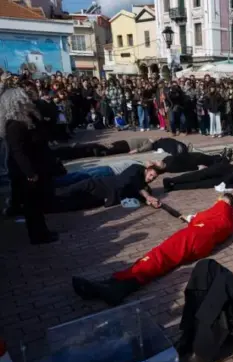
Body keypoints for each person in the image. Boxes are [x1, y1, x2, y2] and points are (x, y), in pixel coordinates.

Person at [72, 195, 233, 307]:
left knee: (158, 256)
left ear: (223, 200)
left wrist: (193, 219)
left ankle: (117, 288)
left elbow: (199, 218)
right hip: (202, 245)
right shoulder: (231, 222)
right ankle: (114, 283)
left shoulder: (221, 207)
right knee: (165, 261)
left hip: (194, 235)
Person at [1, 87, 58, 244]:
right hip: (26, 172)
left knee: (37, 204)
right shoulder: (14, 125)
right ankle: (38, 235)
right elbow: (18, 152)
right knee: (32, 206)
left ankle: (43, 232)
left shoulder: (25, 121)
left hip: (35, 166)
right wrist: (30, 173)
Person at [48, 163, 161, 213]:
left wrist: (152, 202)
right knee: (65, 191)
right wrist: (146, 195)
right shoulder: (136, 169)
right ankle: (41, 195)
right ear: (147, 170)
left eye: (154, 178)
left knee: (71, 206)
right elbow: (130, 181)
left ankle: (45, 209)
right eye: (151, 175)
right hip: (95, 184)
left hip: (101, 199)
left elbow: (143, 197)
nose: (151, 178)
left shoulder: (145, 188)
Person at [163, 162, 233, 192]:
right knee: (199, 175)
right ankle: (172, 180)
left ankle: (173, 187)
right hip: (225, 169)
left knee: (201, 184)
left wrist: (227, 186)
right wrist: (225, 183)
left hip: (223, 181)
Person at [53, 159, 144, 188]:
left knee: (80, 177)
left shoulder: (142, 170)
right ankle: (56, 181)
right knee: (79, 173)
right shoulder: (140, 164)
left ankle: (55, 183)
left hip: (109, 172)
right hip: (107, 168)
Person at [149, 147, 233, 174]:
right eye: (156, 162)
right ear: (160, 167)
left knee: (208, 157)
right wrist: (197, 168)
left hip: (191, 156)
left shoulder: (165, 160)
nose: (157, 160)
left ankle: (220, 156)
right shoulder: (171, 167)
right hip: (194, 162)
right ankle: (225, 160)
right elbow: (184, 167)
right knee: (210, 161)